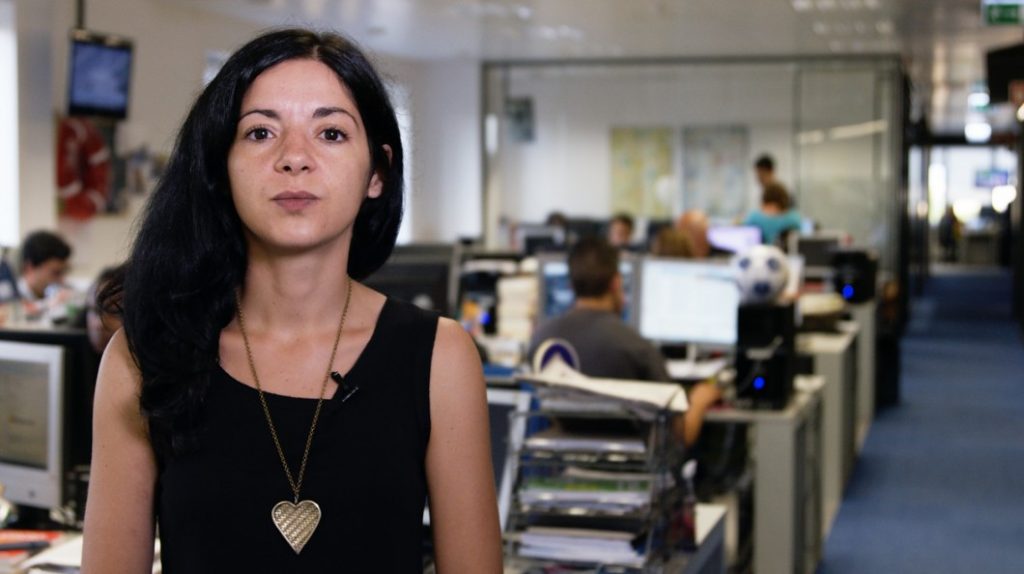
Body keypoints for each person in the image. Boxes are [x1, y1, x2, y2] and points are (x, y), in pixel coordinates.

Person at [82, 29, 502, 573]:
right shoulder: (143, 358)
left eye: (331, 133)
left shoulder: (440, 357)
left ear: (377, 172)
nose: (295, 158)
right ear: (221, 167)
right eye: (260, 132)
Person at [528, 237, 720, 447]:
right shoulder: (637, 347)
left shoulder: (541, 340)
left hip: (563, 460)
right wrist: (699, 400)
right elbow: (679, 435)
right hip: (630, 461)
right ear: (616, 283)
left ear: (571, 284)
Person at [16, 230, 72, 302]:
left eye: (63, 272)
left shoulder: (53, 295)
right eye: (55, 273)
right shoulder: (10, 300)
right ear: (29, 268)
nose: (61, 280)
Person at [743, 182, 803, 247]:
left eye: (774, 208)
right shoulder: (794, 219)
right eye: (769, 208)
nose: (772, 213)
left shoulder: (754, 218)